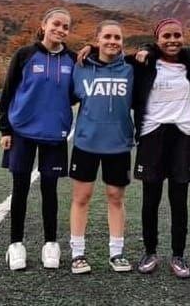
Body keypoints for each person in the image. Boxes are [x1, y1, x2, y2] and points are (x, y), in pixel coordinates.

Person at [0, 7, 76, 270]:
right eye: (56, 24)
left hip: (55, 134)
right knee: (20, 189)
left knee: (50, 190)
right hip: (21, 132)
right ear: (43, 25)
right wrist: (5, 129)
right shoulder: (25, 55)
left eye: (66, 26)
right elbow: (8, 92)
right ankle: (15, 244)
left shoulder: (73, 59)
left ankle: (50, 244)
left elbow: (75, 93)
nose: (60, 30)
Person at [132, 18, 190, 278]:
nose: (172, 40)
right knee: (151, 199)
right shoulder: (146, 61)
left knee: (179, 200)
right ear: (158, 39)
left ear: (183, 37)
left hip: (183, 136)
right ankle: (150, 251)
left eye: (177, 35)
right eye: (166, 36)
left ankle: (178, 255)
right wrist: (90, 50)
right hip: (152, 135)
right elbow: (111, 55)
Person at [69, 20, 134, 274]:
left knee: (116, 198)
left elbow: (155, 51)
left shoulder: (131, 69)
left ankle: (116, 252)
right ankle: (77, 254)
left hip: (118, 144)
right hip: (87, 142)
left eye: (117, 38)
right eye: (107, 36)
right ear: (97, 40)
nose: (112, 41)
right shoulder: (81, 67)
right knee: (81, 197)